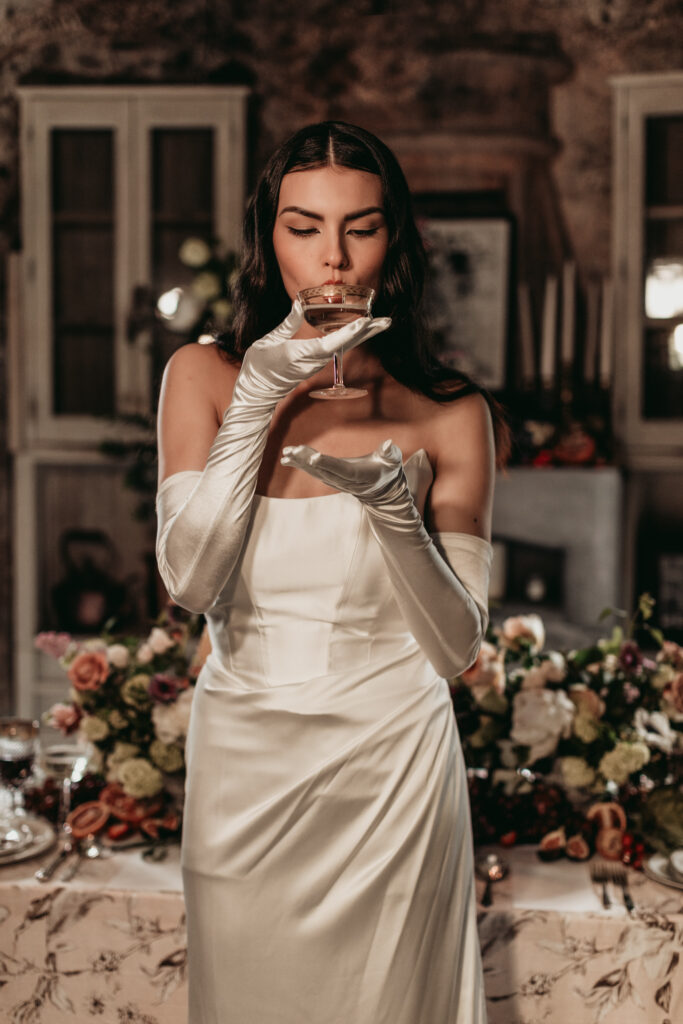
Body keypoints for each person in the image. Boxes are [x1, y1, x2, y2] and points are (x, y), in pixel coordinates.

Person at [155, 120, 509, 1024]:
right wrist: (261, 396)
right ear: (266, 237)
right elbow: (191, 582)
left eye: (360, 227)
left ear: (393, 241)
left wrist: (397, 520)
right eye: (303, 226)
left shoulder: (448, 410)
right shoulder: (201, 376)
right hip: (245, 770)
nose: (333, 259)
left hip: (393, 769)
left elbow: (455, 647)